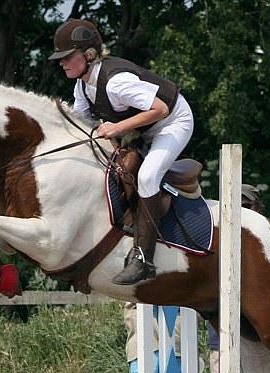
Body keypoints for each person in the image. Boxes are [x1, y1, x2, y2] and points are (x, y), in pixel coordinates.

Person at [49, 19, 195, 285]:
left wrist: (117, 127)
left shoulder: (117, 82)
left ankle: (143, 259)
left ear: (89, 55)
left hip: (173, 121)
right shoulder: (82, 86)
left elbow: (160, 109)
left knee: (148, 176)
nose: (62, 63)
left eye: (67, 57)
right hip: (143, 128)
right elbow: (81, 127)